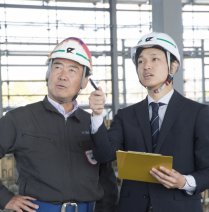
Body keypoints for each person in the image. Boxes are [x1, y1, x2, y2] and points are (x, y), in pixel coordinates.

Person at [0, 37, 118, 212]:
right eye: (57, 67)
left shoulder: (92, 124)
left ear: (84, 81)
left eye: (72, 70)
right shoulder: (20, 119)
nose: (62, 76)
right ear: (48, 74)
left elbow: (106, 179)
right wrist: (4, 197)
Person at [89, 32, 209, 212]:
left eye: (155, 59)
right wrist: (97, 115)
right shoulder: (125, 115)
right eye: (141, 61)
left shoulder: (198, 113)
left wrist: (185, 182)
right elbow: (104, 155)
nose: (146, 66)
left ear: (173, 66)